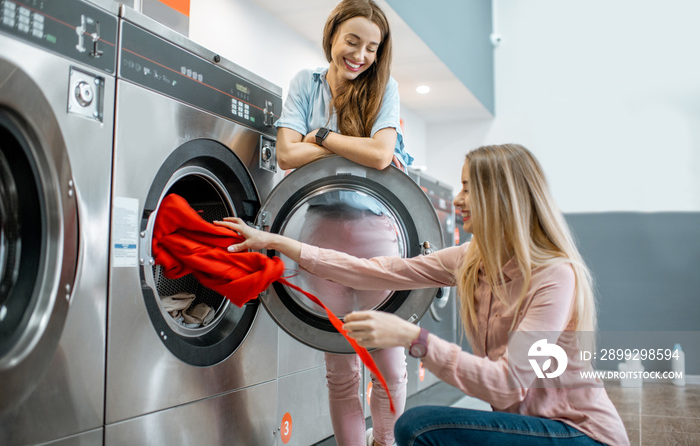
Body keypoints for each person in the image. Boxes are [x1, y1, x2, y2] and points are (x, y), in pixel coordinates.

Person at [216, 144, 629, 446]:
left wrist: (412, 338)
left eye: (469, 188)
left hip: (581, 434)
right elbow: (379, 269)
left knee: (419, 427)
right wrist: (281, 243)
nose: (458, 198)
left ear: (502, 198)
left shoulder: (553, 275)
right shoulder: (473, 257)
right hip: (524, 427)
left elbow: (507, 386)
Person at [272, 0, 412, 446]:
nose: (360, 56)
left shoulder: (382, 87)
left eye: (372, 47)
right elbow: (286, 154)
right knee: (341, 367)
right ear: (332, 34)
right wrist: (350, 145)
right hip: (320, 232)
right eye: (352, 41)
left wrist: (324, 136)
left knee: (389, 363)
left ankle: (384, 441)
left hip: (376, 233)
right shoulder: (305, 83)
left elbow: (381, 153)